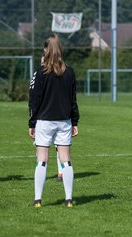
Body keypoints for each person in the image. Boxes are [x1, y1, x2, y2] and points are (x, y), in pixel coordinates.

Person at [29, 34, 79, 208]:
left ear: (46, 50)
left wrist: (31, 122)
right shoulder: (70, 71)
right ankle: (69, 199)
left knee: (42, 159)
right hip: (64, 122)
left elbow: (34, 99)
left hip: (44, 121)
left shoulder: (41, 73)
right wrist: (74, 121)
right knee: (65, 160)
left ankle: (37, 200)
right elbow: (73, 99)